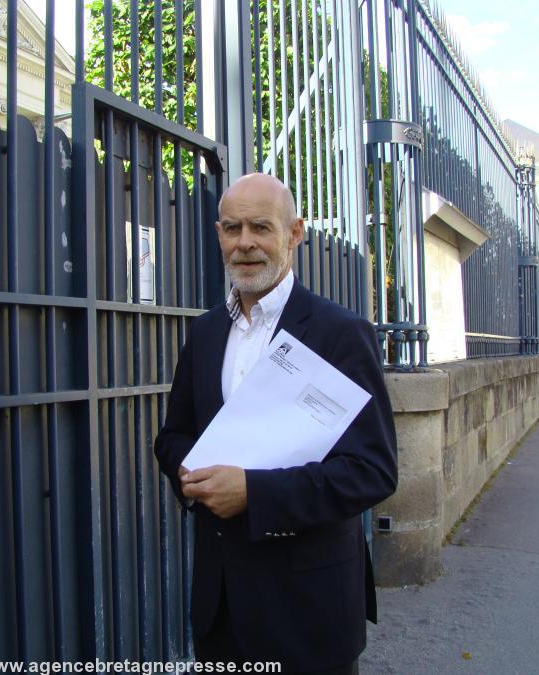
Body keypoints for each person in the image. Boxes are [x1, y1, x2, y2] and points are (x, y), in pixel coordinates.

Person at [154, 173, 398, 674]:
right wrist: (192, 475)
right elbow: (173, 437)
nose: (245, 243)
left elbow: (372, 469)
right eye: (232, 228)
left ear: (294, 233)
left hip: (309, 610)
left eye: (261, 228)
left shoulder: (342, 334)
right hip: (220, 607)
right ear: (219, 234)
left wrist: (253, 493)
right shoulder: (204, 334)